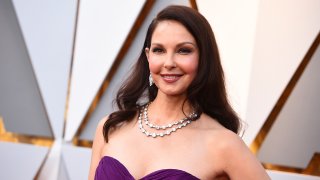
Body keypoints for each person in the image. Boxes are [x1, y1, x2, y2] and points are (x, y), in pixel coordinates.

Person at [89, 5, 270, 180]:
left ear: (204, 58)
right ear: (148, 56)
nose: (169, 63)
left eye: (184, 50)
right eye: (159, 50)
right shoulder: (110, 128)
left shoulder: (224, 145)